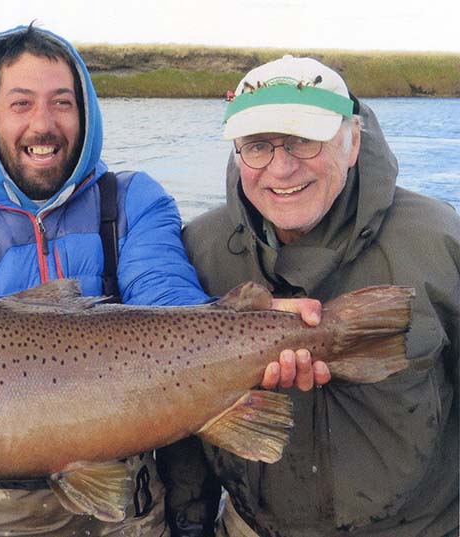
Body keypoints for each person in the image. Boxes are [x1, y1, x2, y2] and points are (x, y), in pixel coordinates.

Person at [0, 25, 320, 536]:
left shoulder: (130, 201)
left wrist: (256, 330)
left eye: (62, 103)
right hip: (1, 508)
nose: (44, 125)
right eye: (21, 104)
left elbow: (167, 298)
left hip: (131, 493)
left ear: (85, 112)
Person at [163, 55, 459, 537]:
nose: (281, 169)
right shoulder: (198, 249)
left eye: (303, 139)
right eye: (257, 146)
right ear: (237, 153)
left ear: (352, 141)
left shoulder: (440, 239)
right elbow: (177, 421)